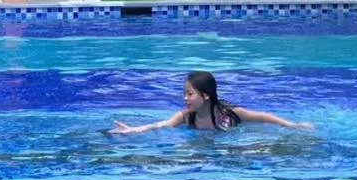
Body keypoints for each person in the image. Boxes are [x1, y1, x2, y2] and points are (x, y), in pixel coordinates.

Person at [109, 70, 313, 135]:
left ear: (206, 95)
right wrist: (131, 130)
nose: (185, 99)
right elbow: (159, 125)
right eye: (184, 94)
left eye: (190, 94)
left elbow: (262, 117)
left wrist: (292, 125)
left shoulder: (229, 113)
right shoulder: (185, 117)